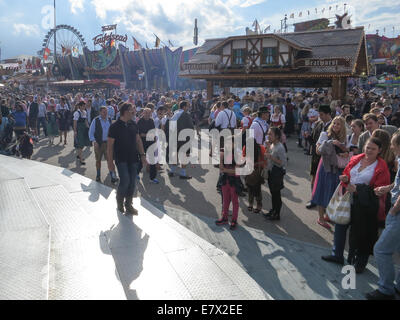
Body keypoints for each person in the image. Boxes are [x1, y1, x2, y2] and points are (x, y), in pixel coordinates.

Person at [321, 138, 390, 272]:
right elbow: (347, 172)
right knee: (340, 225)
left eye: (373, 149)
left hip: (365, 206)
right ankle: (337, 255)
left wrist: (358, 190)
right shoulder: (357, 158)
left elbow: (379, 191)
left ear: (379, 151)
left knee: (362, 233)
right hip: (348, 199)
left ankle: (359, 263)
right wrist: (345, 178)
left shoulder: (382, 166)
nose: (369, 151)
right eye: (367, 147)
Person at [366, 132, 400, 300]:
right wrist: (388, 188)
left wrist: (394, 209)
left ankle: (386, 290)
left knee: (381, 249)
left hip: (398, 212)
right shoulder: (399, 160)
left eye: (394, 145)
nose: (391, 147)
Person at [107, 103, 147, 215]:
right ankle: (120, 203)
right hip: (121, 159)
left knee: (132, 183)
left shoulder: (134, 124)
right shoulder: (114, 126)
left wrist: (143, 155)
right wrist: (110, 163)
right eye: (131, 110)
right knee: (125, 181)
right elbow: (110, 147)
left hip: (134, 158)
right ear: (125, 111)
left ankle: (128, 204)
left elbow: (138, 141)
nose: (134, 112)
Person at [312, 116, 348, 229]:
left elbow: (347, 151)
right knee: (322, 190)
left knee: (333, 191)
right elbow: (317, 151)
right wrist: (329, 143)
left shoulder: (345, 138)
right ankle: (321, 218)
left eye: (338, 124)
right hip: (325, 167)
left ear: (342, 126)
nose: (336, 126)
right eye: (334, 123)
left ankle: (328, 214)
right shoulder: (324, 135)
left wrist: (344, 152)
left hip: (338, 167)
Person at [306, 105, 332, 209]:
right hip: (316, 157)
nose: (320, 117)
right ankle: (314, 199)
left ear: (328, 114)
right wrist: (308, 137)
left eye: (322, 115)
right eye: (319, 114)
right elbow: (313, 139)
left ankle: (325, 202)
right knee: (313, 178)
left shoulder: (334, 125)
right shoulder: (317, 124)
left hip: (327, 159)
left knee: (326, 181)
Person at [215, 137, 242, 230]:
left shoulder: (238, 154)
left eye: (230, 143)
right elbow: (221, 167)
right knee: (225, 200)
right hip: (225, 179)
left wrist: (225, 170)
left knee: (234, 201)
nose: (227, 145)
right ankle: (224, 217)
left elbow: (236, 171)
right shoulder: (224, 153)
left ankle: (234, 220)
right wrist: (221, 158)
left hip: (234, 181)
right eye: (226, 143)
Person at [165, 101, 195, 180]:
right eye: (187, 106)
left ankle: (172, 171)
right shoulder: (185, 114)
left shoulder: (175, 113)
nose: (188, 108)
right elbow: (190, 127)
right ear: (184, 107)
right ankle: (183, 173)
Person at [89, 106, 118, 183]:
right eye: (104, 112)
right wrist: (94, 141)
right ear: (100, 112)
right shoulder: (96, 120)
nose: (105, 113)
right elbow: (91, 132)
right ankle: (98, 175)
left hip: (108, 144)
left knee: (110, 160)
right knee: (98, 160)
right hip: (99, 143)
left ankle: (112, 176)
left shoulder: (109, 119)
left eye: (106, 112)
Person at [264, 127, 287, 221]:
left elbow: (283, 162)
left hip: (277, 173)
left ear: (277, 136)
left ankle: (277, 214)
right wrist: (268, 148)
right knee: (273, 193)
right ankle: (273, 210)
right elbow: (267, 157)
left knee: (276, 194)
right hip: (271, 172)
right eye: (268, 134)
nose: (268, 136)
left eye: (270, 134)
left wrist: (271, 157)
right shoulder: (272, 144)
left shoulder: (280, 147)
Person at [244, 137, 266, 214]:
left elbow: (264, 161)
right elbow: (243, 158)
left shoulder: (261, 148)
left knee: (257, 189)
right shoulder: (246, 148)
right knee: (249, 188)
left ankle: (259, 204)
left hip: (258, 171)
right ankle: (250, 203)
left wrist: (255, 164)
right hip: (249, 171)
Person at [137, 107, 158, 184]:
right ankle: (136, 173)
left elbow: (153, 132)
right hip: (142, 144)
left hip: (151, 143)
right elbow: (140, 134)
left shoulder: (151, 121)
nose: (148, 114)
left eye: (149, 113)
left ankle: (152, 178)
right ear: (143, 113)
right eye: (146, 113)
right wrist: (147, 135)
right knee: (141, 160)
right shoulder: (140, 121)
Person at [73, 101, 91, 165]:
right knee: (80, 144)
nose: (84, 107)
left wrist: (88, 127)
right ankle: (81, 159)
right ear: (80, 106)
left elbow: (85, 120)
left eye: (84, 106)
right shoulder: (77, 113)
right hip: (79, 129)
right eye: (83, 106)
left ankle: (78, 155)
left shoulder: (85, 112)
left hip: (84, 129)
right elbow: (75, 122)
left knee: (83, 143)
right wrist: (75, 131)